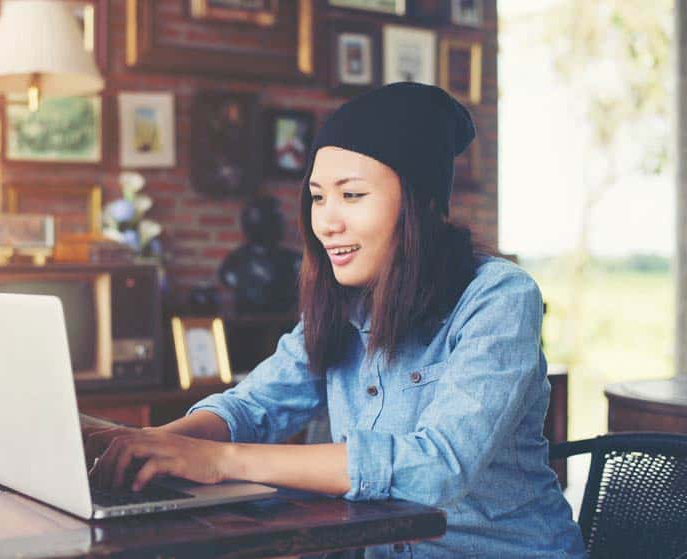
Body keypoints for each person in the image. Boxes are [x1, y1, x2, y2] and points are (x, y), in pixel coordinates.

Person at [85, 82, 586, 558]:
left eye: (352, 195)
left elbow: (437, 466)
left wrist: (221, 461)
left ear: (423, 202)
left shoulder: (498, 295)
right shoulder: (343, 302)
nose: (326, 220)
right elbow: (253, 407)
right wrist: (151, 444)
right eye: (318, 196)